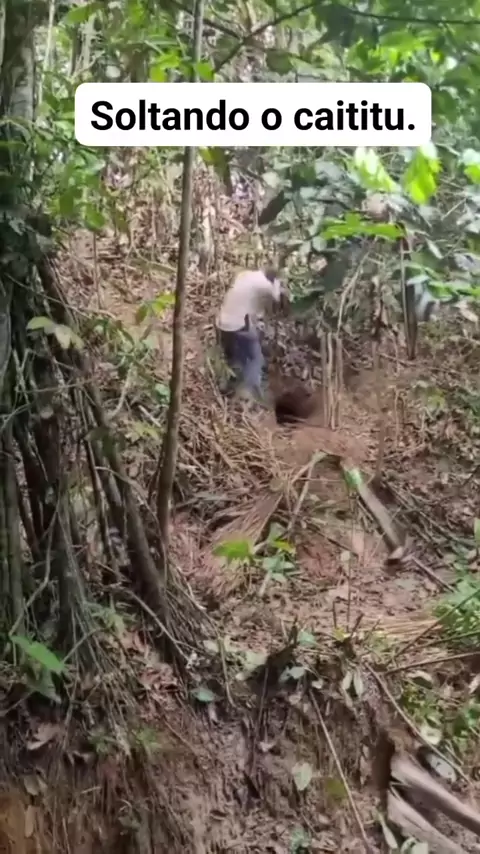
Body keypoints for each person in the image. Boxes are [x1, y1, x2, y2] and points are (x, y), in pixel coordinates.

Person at [216, 268, 285, 400]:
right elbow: (277, 298)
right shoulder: (266, 285)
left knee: (235, 357)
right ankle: (249, 393)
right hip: (239, 324)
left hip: (222, 322)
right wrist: (278, 284)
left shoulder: (245, 275)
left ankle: (227, 387)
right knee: (255, 358)